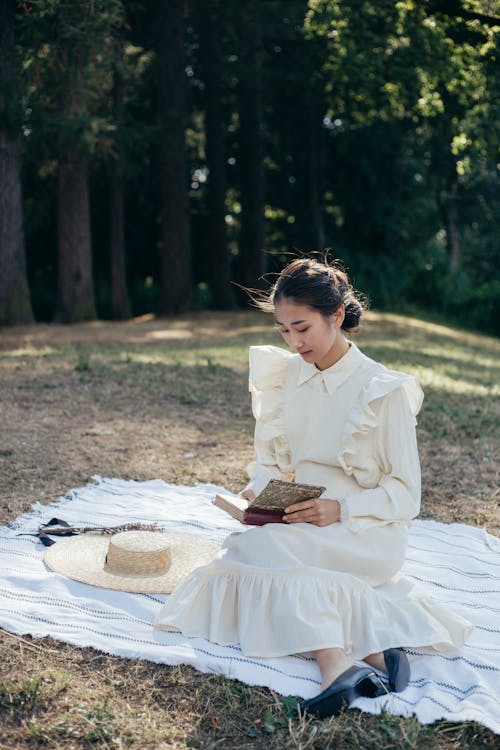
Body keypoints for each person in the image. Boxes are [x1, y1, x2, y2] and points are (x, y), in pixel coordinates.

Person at [156, 257, 472, 718]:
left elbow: (406, 495)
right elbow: (273, 463)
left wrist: (340, 508)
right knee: (248, 546)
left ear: (337, 316)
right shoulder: (285, 377)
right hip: (299, 519)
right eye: (283, 330)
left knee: (261, 553)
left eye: (302, 328)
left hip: (365, 529)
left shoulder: (381, 390)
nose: (293, 341)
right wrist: (257, 491)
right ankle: (373, 655)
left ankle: (333, 663)